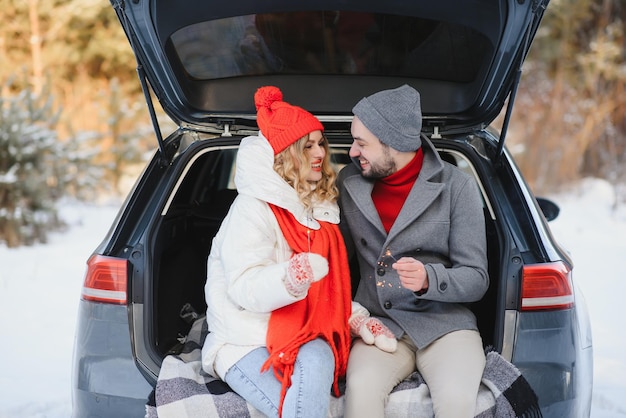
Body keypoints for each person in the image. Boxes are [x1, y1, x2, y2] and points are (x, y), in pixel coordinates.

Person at [200, 86, 353, 418]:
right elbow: (244, 287)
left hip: (302, 330)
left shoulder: (319, 204)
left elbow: (328, 287)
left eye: (320, 144)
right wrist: (291, 278)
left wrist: (351, 313)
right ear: (285, 154)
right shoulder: (251, 209)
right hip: (245, 338)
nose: (320, 154)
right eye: (307, 146)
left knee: (320, 358)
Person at [338, 84, 490, 418]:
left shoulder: (456, 186)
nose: (351, 151)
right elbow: (336, 258)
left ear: (393, 143)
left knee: (456, 403)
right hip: (379, 323)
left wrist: (428, 280)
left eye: (361, 143)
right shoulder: (348, 183)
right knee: (360, 393)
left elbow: (477, 278)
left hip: (445, 325)